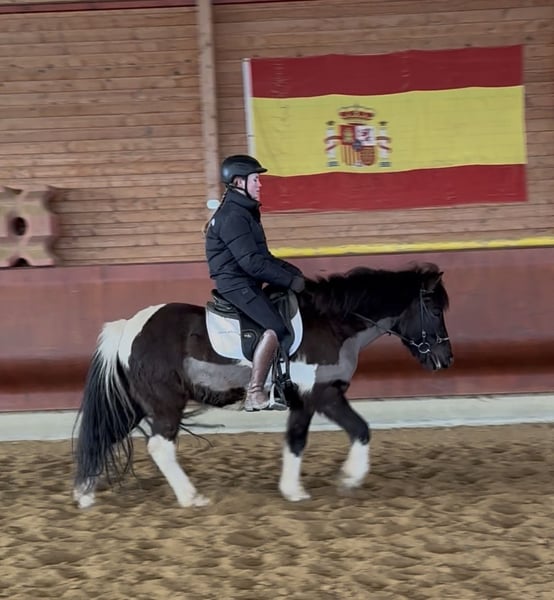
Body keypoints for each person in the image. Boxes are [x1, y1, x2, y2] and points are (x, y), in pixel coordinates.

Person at [204, 154, 305, 412]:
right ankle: (255, 393)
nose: (260, 184)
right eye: (255, 179)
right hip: (236, 285)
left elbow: (264, 257)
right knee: (276, 328)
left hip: (245, 282)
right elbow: (252, 263)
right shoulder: (233, 217)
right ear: (239, 182)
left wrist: (293, 273)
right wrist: (289, 280)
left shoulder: (244, 213)